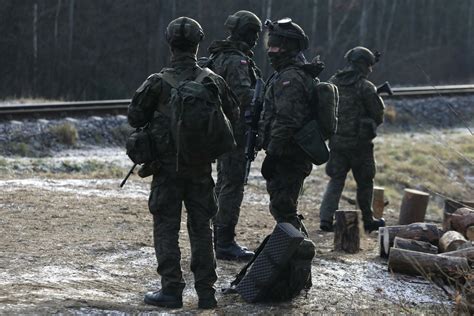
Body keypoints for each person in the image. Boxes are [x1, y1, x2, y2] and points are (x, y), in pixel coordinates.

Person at [127, 17, 239, 309]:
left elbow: (134, 118)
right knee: (202, 228)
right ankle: (206, 294)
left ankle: (171, 290)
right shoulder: (212, 80)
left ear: (170, 45)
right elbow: (233, 116)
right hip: (201, 170)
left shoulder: (156, 83)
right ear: (197, 44)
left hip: (165, 171)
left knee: (166, 227)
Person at [206, 10, 262, 261]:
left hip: (220, 131)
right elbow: (243, 96)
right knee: (233, 184)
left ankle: (215, 235)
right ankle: (225, 241)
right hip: (236, 132)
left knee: (223, 182)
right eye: (255, 34)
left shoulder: (218, 56)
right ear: (247, 34)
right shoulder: (236, 61)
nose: (257, 40)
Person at [319, 46, 386, 233]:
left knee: (336, 180)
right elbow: (378, 115)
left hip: (337, 142)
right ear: (364, 66)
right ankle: (367, 220)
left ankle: (325, 218)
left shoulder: (333, 82)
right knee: (365, 182)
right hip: (360, 145)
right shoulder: (365, 87)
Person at [257, 18, 314, 231]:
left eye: (276, 46)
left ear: (289, 47)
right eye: (269, 45)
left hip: (289, 155)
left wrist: (272, 155)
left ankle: (299, 258)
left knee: (283, 208)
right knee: (284, 208)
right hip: (287, 153)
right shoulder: (287, 73)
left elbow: (286, 120)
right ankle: (293, 256)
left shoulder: (290, 78)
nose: (271, 51)